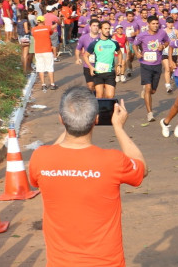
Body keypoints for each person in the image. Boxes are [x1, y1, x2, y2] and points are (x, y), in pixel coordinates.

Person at [29, 87, 147, 267]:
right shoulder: (113, 161)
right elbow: (141, 168)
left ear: (61, 119)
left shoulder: (40, 157)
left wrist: (71, 125)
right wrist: (118, 128)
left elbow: (44, 168)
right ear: (96, 120)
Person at [133, 16, 169, 122]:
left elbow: (167, 41)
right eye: (153, 23)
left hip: (157, 64)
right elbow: (135, 45)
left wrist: (163, 46)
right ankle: (150, 113)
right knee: (148, 88)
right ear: (148, 24)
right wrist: (137, 53)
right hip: (145, 64)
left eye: (157, 23)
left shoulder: (162, 33)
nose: (155, 25)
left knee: (152, 91)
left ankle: (146, 90)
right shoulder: (142, 35)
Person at [32, 15, 57, 91]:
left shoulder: (34, 29)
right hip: (47, 50)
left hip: (38, 51)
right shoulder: (47, 28)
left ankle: (43, 85)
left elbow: (34, 35)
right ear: (43, 21)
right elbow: (51, 32)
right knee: (49, 67)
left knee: (40, 68)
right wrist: (55, 25)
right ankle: (52, 84)